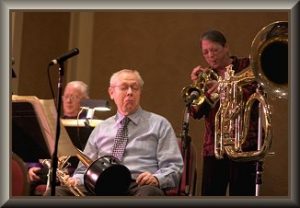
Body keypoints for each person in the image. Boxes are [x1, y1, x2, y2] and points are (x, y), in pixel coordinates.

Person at [45, 69, 184, 196]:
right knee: (55, 193)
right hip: (100, 184)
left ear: (140, 92)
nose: (130, 92)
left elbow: (174, 167)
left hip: (137, 185)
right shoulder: (101, 128)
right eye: (124, 87)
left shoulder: (159, 124)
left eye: (134, 88)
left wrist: (156, 179)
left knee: (149, 194)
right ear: (111, 93)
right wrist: (75, 180)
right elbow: (83, 170)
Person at [189, 30, 259, 196]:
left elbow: (256, 95)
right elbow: (195, 112)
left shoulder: (246, 66)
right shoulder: (206, 76)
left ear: (226, 47)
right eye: (205, 52)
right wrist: (197, 88)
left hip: (244, 146)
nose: (210, 56)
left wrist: (224, 88)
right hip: (214, 148)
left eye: (214, 50)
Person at [27, 81, 89, 195]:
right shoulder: (52, 123)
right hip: (48, 172)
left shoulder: (91, 125)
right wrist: (33, 167)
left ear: (85, 100)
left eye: (74, 96)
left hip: (72, 175)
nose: (69, 100)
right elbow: (41, 150)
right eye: (66, 96)